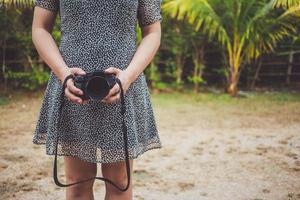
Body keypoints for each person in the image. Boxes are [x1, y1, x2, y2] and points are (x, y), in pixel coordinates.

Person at [31, 0, 163, 199]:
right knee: (77, 182)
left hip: (123, 89)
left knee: (120, 182)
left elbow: (152, 31)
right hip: (73, 88)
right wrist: (63, 73)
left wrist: (127, 76)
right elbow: (40, 28)